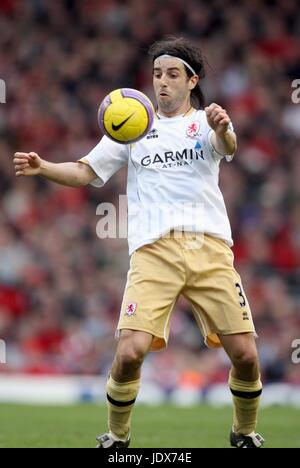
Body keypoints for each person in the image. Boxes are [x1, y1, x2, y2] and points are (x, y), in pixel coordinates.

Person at [13, 36, 265, 449]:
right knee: (130, 352)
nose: (161, 82)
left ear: (191, 80)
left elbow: (227, 146)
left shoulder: (207, 121)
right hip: (153, 252)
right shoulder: (133, 125)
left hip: (211, 249)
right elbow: (83, 172)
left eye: (171, 74)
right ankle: (117, 436)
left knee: (247, 356)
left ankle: (244, 431)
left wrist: (223, 128)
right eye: (156, 74)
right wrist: (44, 168)